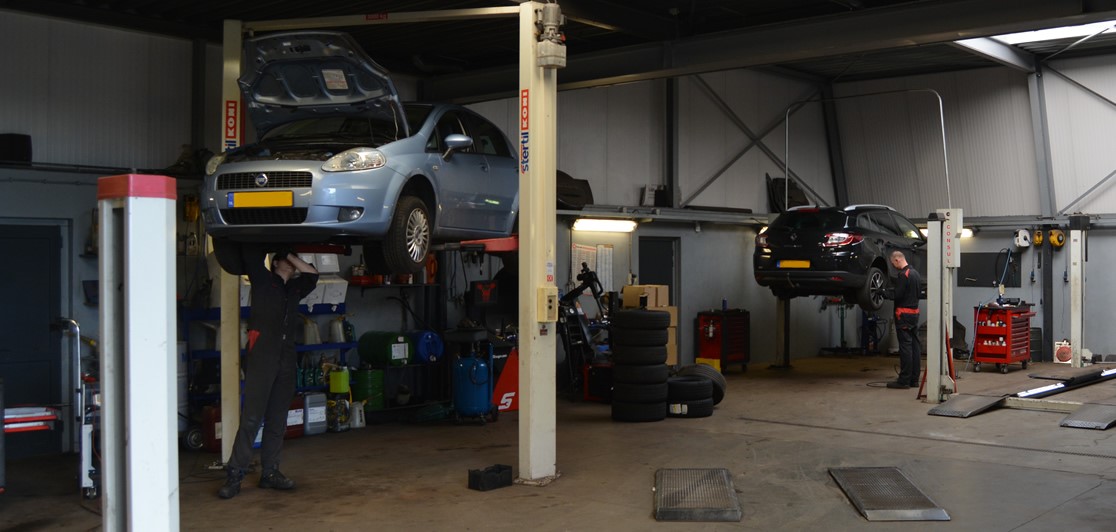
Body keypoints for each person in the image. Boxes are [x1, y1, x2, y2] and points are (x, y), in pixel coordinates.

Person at [219, 245, 318, 499]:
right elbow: (251, 253)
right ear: (274, 263)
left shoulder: (295, 288)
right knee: (252, 419)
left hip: (286, 357)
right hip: (262, 355)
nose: (292, 263)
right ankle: (235, 475)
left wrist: (291, 255)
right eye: (286, 260)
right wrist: (273, 244)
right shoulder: (263, 280)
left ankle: (270, 473)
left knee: (277, 420)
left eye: (293, 261)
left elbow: (312, 275)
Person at [887, 250, 921, 390]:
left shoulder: (903, 275)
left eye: (893, 264)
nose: (893, 267)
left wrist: (884, 293)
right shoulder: (916, 274)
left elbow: (898, 295)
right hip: (914, 314)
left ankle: (904, 381)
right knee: (915, 346)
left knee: (905, 347)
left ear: (897, 260)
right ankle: (914, 380)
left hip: (903, 315)